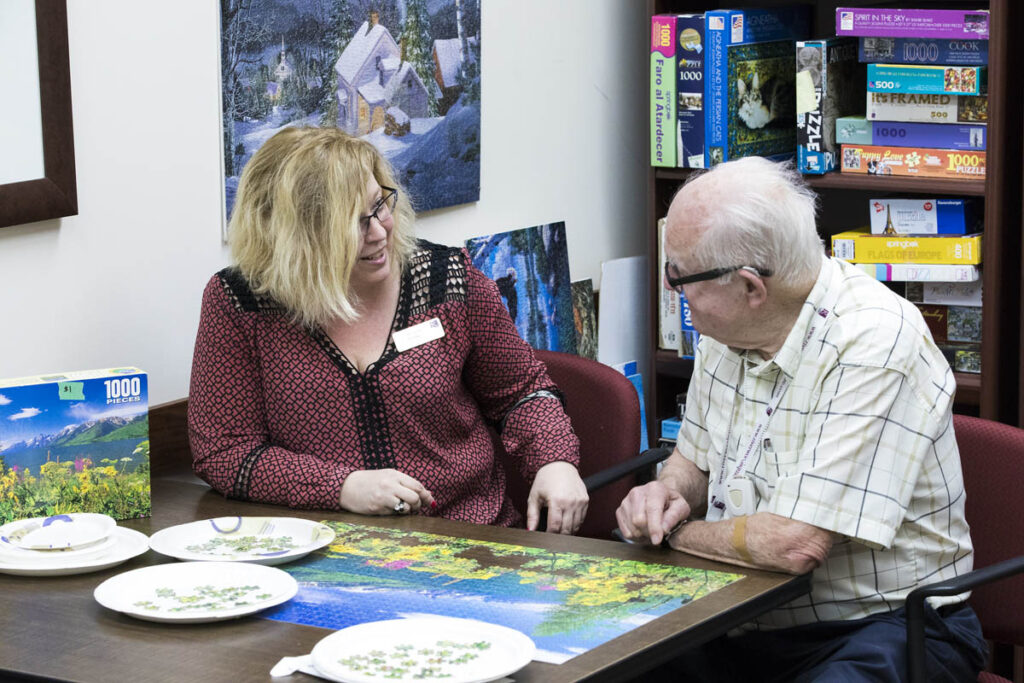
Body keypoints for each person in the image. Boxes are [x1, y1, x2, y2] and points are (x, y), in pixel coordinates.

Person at [616, 157, 986, 681]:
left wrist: (676, 536)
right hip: (734, 609)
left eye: (678, 276)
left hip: (882, 624)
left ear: (750, 287)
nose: (673, 288)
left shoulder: (873, 341)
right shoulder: (729, 329)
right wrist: (664, 494)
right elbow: (692, 462)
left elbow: (795, 544)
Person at [188, 126, 588, 533]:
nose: (380, 231)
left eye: (380, 206)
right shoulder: (240, 302)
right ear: (298, 237)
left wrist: (555, 461)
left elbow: (522, 392)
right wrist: (340, 487)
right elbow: (225, 452)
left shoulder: (447, 280)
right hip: (326, 550)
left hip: (469, 539)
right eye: (354, 224)